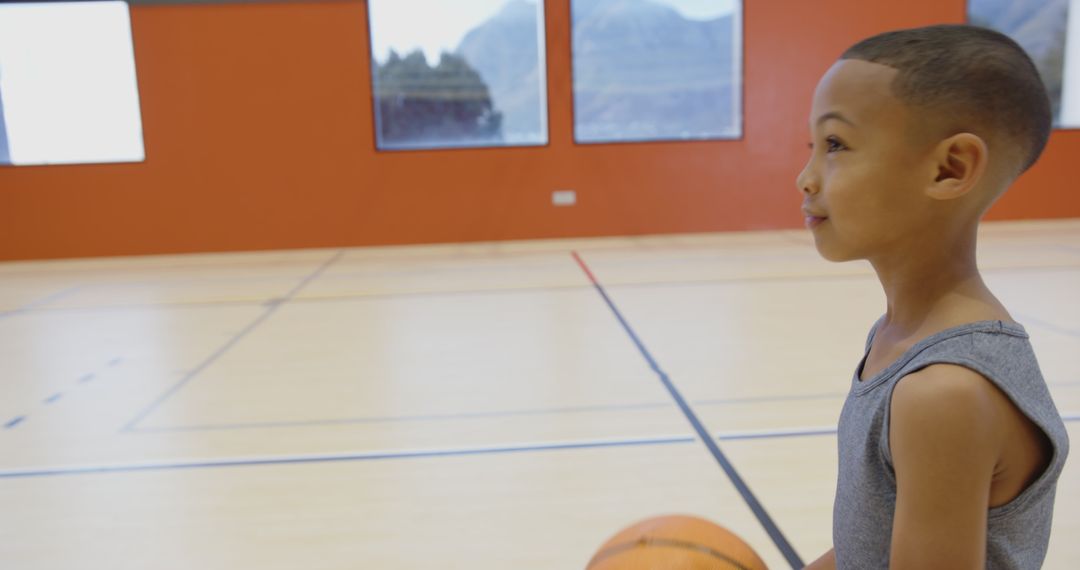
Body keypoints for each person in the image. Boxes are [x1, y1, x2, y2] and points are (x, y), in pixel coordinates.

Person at [797, 24, 1070, 569]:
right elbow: (868, 549)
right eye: (813, 147)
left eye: (835, 145)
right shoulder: (898, 340)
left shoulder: (943, 392)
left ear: (950, 169)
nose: (806, 178)